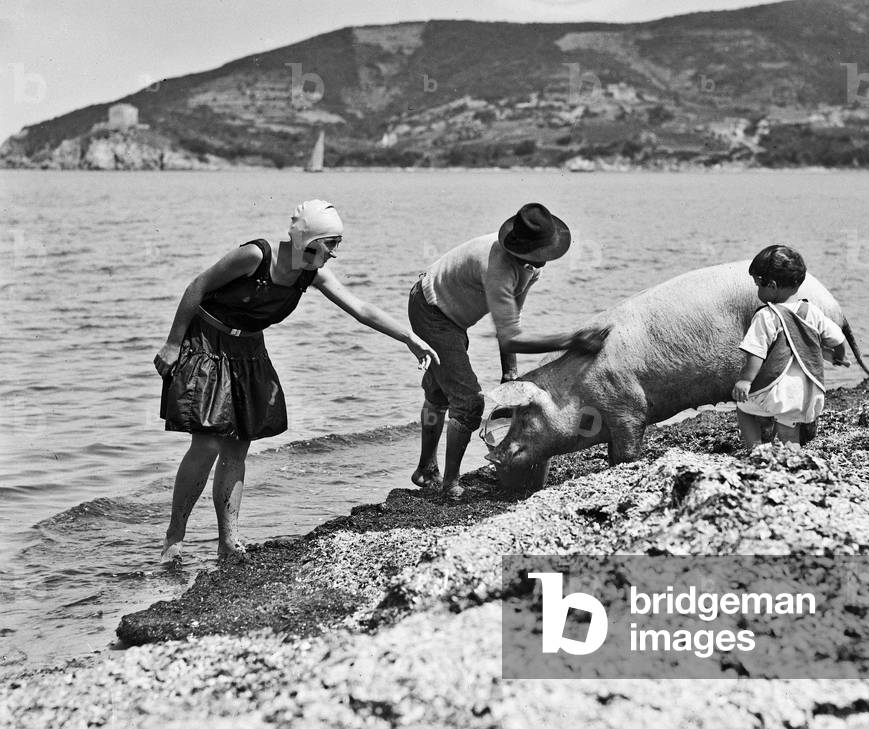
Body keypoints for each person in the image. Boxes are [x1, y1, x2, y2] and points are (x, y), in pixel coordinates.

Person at [154, 200, 439, 561]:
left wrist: (409, 339)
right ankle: (174, 538)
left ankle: (228, 543)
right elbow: (197, 287)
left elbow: (360, 309)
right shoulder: (255, 256)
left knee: (238, 445)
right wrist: (172, 344)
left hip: (249, 349)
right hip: (208, 341)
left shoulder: (312, 274)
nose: (334, 253)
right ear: (310, 240)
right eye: (331, 244)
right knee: (208, 442)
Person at [408, 202, 608, 498]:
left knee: (440, 392)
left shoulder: (531, 267)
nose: (539, 264)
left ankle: (425, 470)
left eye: (543, 257)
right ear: (516, 249)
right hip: (432, 310)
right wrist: (572, 341)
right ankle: (449, 484)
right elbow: (513, 338)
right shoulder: (498, 268)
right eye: (533, 259)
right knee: (469, 402)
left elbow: (510, 323)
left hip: (449, 313)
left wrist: (509, 373)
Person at [732, 245, 849, 448]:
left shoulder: (767, 316)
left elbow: (756, 352)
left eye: (758, 285)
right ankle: (791, 450)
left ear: (772, 285)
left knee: (744, 409)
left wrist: (745, 380)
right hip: (808, 394)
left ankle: (755, 450)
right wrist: (839, 356)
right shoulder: (811, 311)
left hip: (776, 393)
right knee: (788, 428)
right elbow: (838, 339)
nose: (757, 290)